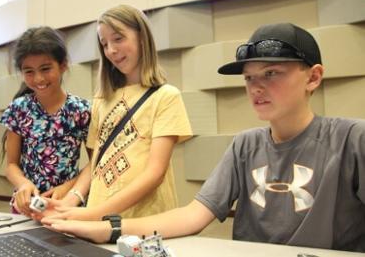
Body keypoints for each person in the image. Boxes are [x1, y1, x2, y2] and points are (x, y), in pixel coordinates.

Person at [41, 23, 365, 252]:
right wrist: (107, 229)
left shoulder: (353, 139)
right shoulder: (245, 145)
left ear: (314, 77)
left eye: (271, 73)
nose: (256, 87)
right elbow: (193, 216)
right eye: (250, 77)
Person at [37, 4, 193, 222]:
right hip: (99, 219)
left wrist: (93, 213)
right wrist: (69, 202)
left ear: (141, 37)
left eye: (118, 39)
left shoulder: (166, 97)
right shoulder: (102, 100)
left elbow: (155, 173)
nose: (110, 50)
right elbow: (96, 163)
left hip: (144, 220)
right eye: (104, 44)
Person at [0, 26, 91, 216]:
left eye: (46, 68)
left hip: (66, 205)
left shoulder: (81, 110)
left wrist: (68, 187)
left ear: (63, 65)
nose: (38, 78)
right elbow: (11, 165)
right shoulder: (19, 108)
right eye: (29, 71)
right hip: (26, 206)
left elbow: (95, 163)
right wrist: (23, 184)